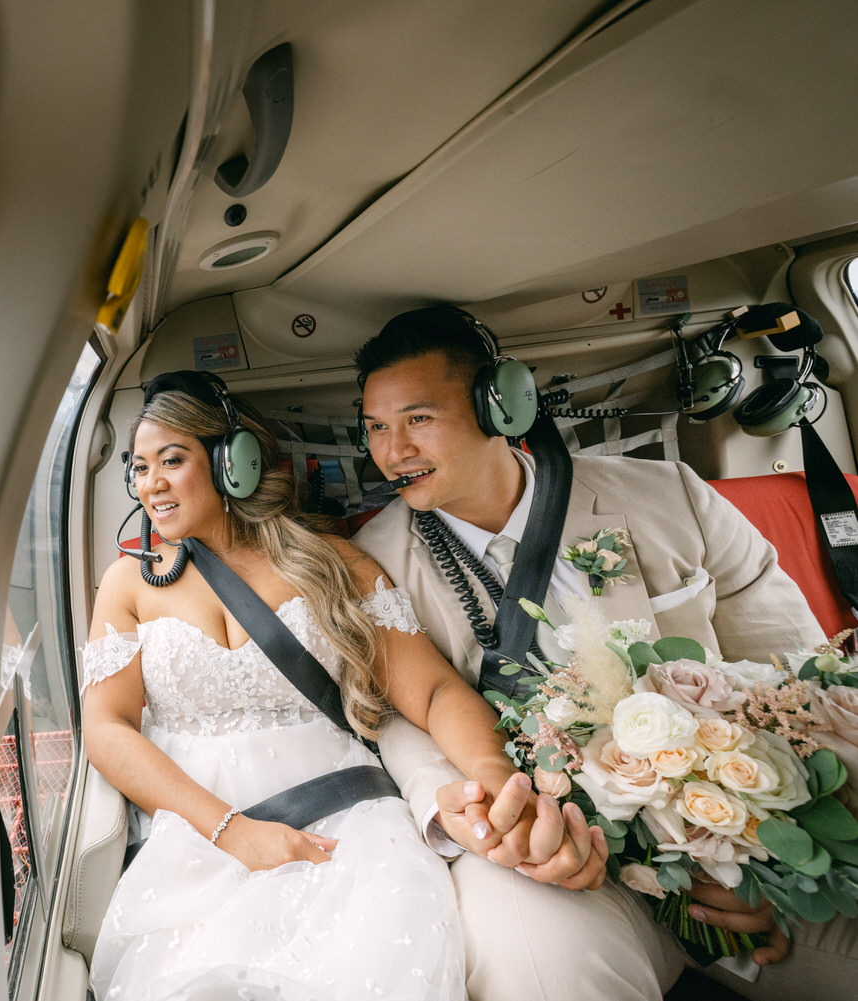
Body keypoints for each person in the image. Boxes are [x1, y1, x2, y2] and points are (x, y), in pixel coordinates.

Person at [353, 305, 858, 1001]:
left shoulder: (668, 494)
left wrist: (760, 846)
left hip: (734, 844)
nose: (391, 451)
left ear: (503, 406)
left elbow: (792, 672)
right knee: (541, 970)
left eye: (416, 420)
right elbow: (399, 717)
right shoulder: (372, 565)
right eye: (375, 428)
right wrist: (483, 814)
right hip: (558, 857)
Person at [81, 370, 589, 1001]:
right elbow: (107, 729)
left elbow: (432, 693)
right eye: (138, 467)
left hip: (351, 828)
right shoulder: (127, 583)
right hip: (198, 837)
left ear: (232, 462)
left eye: (171, 460)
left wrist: (493, 778)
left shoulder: (330, 561)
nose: (149, 483)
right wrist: (232, 832)